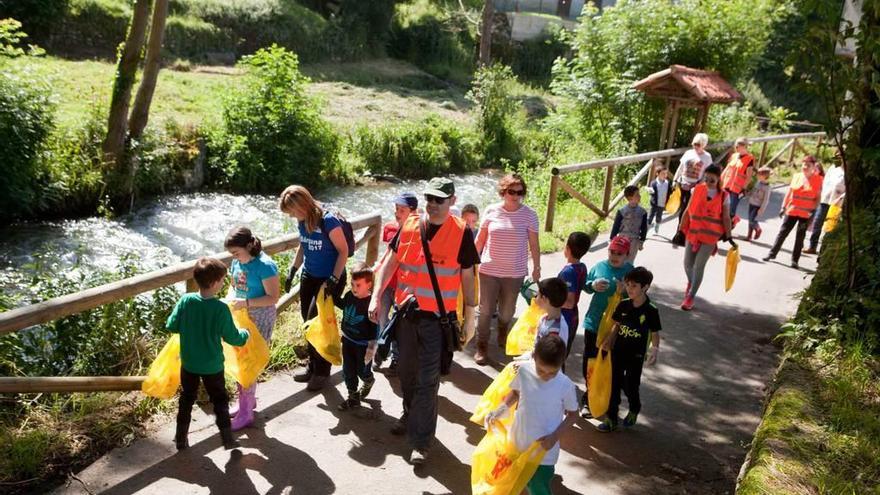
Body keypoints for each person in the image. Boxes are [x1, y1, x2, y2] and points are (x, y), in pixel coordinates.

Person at [368, 177, 479, 465]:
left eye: (439, 199)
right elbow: (389, 262)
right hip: (405, 315)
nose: (432, 204)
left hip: (437, 321)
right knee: (405, 374)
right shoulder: (409, 225)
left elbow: (468, 276)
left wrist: (470, 317)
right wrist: (375, 296)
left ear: (452, 201)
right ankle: (409, 413)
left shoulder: (461, 232)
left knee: (428, 381)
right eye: (429, 198)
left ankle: (421, 442)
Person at [167, 257, 250, 451]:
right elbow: (233, 338)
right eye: (222, 280)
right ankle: (227, 439)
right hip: (212, 366)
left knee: (186, 399)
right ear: (214, 283)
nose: (223, 282)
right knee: (220, 400)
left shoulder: (186, 300)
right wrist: (245, 334)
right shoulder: (220, 309)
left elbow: (171, 325)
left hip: (189, 363)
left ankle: (180, 439)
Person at [484, 334, 578, 495]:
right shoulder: (524, 371)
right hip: (517, 442)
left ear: (561, 364)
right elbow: (515, 393)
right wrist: (499, 410)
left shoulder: (565, 385)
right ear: (534, 357)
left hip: (544, 451)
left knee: (538, 486)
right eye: (541, 370)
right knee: (513, 479)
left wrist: (554, 437)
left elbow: (573, 415)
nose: (546, 376)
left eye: (552, 373)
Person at [279, 185, 349, 392]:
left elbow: (343, 251)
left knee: (320, 325)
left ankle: (322, 372)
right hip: (309, 275)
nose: (291, 216)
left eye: (292, 211)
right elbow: (304, 244)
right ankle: (312, 366)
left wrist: (334, 280)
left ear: (302, 205)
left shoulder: (328, 221)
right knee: (308, 322)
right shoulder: (303, 220)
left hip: (329, 278)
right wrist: (293, 269)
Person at [474, 173, 541, 365]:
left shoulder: (529, 214)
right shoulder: (491, 211)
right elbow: (480, 239)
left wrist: (537, 267)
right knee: (485, 310)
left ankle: (503, 329)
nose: (516, 195)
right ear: (503, 191)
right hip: (489, 270)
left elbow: (534, 245)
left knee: (506, 311)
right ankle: (482, 346)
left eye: (520, 192)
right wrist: (469, 262)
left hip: (514, 273)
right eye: (512, 191)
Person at [224, 227, 280, 430]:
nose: (234, 257)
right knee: (240, 358)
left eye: (236, 252)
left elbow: (273, 297)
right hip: (241, 315)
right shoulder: (237, 262)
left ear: (249, 246)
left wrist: (245, 302)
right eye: (232, 254)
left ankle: (246, 412)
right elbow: (233, 285)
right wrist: (231, 298)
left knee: (249, 360)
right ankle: (246, 402)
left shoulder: (265, 266)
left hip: (259, 317)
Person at [597, 267, 661, 432]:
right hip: (618, 352)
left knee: (630, 386)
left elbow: (655, 332)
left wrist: (655, 350)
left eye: (634, 286)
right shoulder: (624, 305)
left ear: (645, 287)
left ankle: (634, 407)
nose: (629, 289)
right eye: (628, 285)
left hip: (636, 355)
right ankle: (611, 419)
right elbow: (617, 325)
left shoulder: (651, 310)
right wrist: (609, 340)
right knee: (614, 384)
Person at [579, 235, 634, 419]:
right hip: (594, 323)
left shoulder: (630, 272)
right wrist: (592, 285)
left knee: (609, 364)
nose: (614, 256)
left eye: (619, 253)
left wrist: (625, 291)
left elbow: (637, 297)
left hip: (615, 328)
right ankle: (588, 399)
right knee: (590, 361)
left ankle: (606, 400)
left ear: (627, 255)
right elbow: (586, 286)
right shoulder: (599, 267)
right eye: (612, 251)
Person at [373, 192, 418, 374]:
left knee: (398, 326)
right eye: (396, 209)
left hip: (404, 287)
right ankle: (381, 352)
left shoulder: (418, 232)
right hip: (387, 284)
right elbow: (389, 253)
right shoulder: (390, 228)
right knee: (382, 322)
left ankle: (396, 359)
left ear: (413, 211)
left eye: (402, 210)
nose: (397, 213)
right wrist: (379, 265)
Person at [678, 165, 733, 311]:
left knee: (698, 266)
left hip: (710, 237)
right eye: (706, 178)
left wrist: (729, 235)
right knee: (687, 263)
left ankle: (690, 297)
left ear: (719, 180)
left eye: (712, 180)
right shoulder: (696, 189)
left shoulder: (724, 196)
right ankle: (692, 283)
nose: (708, 182)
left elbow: (726, 217)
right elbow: (688, 209)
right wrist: (681, 227)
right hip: (693, 233)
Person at [762, 156, 824, 269]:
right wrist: (783, 207)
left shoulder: (818, 179)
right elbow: (789, 193)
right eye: (804, 164)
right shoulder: (797, 176)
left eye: (808, 165)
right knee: (782, 233)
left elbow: (818, 198)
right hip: (792, 210)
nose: (805, 167)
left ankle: (795, 260)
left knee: (800, 237)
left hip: (806, 214)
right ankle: (771, 254)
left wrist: (813, 211)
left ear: (813, 167)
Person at [335, 263, 378, 411]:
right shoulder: (349, 296)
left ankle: (368, 380)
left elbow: (374, 329)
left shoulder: (371, 304)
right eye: (352, 284)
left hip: (363, 346)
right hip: (347, 340)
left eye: (358, 285)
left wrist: (371, 348)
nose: (354, 288)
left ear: (369, 285)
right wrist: (331, 295)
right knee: (348, 370)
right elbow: (342, 304)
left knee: (362, 370)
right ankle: (353, 397)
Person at [804, 150, 845, 254]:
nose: (838, 158)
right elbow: (825, 183)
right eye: (836, 156)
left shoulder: (847, 171)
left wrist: (841, 198)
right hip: (824, 199)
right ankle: (812, 246)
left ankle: (824, 251)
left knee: (830, 226)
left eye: (840, 156)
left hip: (836, 203)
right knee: (817, 223)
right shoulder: (832, 168)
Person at [558, 232, 591, 354]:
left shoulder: (568, 272)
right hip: (573, 316)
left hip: (564, 318)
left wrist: (548, 300)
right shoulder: (582, 267)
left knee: (556, 357)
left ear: (567, 248)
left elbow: (569, 302)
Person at [673, 133, 713, 227]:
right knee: (681, 208)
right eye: (694, 144)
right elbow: (681, 167)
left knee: (688, 209)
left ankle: (683, 230)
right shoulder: (688, 153)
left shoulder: (707, 157)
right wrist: (675, 180)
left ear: (704, 145)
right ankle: (680, 230)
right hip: (682, 183)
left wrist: (699, 185)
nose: (696, 146)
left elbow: (707, 173)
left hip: (695, 185)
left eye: (698, 144)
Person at [720, 137, 755, 221]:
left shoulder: (749, 159)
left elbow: (749, 176)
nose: (736, 148)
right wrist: (720, 180)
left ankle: (730, 225)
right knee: (721, 207)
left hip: (737, 189)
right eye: (735, 146)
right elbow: (727, 169)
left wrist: (744, 188)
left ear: (744, 146)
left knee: (731, 210)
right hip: (726, 185)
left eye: (737, 146)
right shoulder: (734, 156)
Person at [609, 185, 648, 262]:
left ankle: (628, 274)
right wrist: (612, 239)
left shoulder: (642, 212)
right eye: (637, 195)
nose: (639, 196)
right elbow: (616, 226)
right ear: (630, 198)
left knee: (630, 261)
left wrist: (641, 241)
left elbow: (644, 228)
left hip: (634, 240)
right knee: (619, 259)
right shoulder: (622, 211)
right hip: (622, 239)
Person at [532, 277, 569, 349]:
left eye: (537, 295)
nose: (535, 298)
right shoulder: (544, 318)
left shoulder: (555, 331)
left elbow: (549, 358)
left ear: (544, 299)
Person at [747, 167, 772, 241]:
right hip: (752, 202)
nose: (757, 175)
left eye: (759, 174)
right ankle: (749, 236)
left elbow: (766, 200)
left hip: (757, 205)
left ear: (764, 176)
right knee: (750, 220)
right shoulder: (758, 182)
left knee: (752, 220)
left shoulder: (767, 187)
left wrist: (762, 209)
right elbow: (753, 190)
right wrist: (748, 193)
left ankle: (758, 229)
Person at [647, 161, 670, 234]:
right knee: (650, 216)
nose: (665, 175)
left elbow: (669, 192)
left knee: (659, 217)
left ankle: (656, 228)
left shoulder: (667, 183)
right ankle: (646, 229)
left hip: (662, 204)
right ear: (657, 174)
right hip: (654, 204)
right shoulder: (654, 183)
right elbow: (651, 192)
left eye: (666, 173)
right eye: (663, 173)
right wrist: (650, 191)